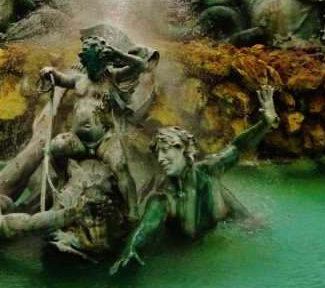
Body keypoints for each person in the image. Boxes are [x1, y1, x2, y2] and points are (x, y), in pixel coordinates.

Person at [110, 85, 279, 274]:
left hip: (225, 221)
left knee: (244, 214)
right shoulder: (164, 199)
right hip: (190, 253)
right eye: (158, 154)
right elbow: (146, 227)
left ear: (184, 149)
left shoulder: (209, 169)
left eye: (166, 151)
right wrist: (132, 249)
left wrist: (266, 122)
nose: (160, 159)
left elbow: (238, 147)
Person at [40, 35, 154, 222]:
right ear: (85, 61)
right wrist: (49, 72)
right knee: (56, 147)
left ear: (104, 61)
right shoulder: (78, 80)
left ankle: (133, 209)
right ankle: (62, 177)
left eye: (99, 63)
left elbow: (140, 67)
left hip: (104, 140)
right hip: (79, 141)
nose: (96, 69)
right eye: (92, 64)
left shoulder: (112, 77)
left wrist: (120, 55)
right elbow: (60, 79)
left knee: (120, 165)